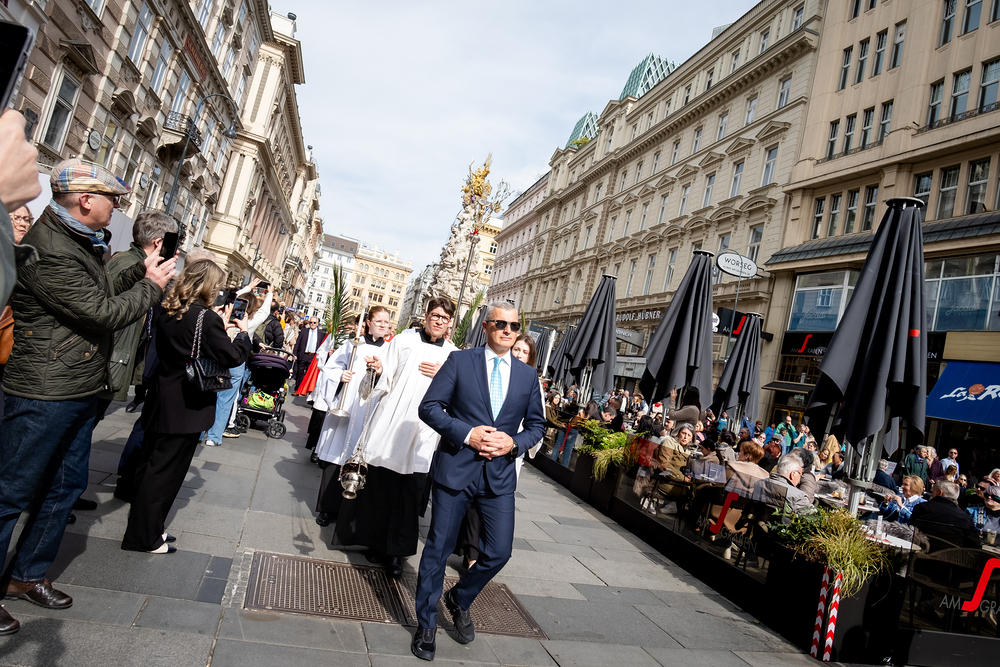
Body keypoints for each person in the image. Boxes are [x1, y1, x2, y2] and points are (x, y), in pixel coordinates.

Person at [0, 158, 175, 634]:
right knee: (11, 491)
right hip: (44, 390)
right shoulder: (50, 246)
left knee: (65, 486)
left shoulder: (79, 240)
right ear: (85, 200)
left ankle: (25, 575)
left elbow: (96, 290)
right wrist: (152, 288)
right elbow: (99, 313)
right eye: (111, 199)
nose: (116, 206)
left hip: (75, 386)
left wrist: (139, 273)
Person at [412, 302, 545, 660]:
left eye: (513, 326)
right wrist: (467, 434)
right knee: (438, 549)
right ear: (486, 327)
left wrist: (513, 442)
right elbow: (429, 407)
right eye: (500, 324)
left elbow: (537, 426)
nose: (508, 331)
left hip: (498, 477)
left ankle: (459, 598)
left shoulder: (527, 376)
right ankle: (426, 623)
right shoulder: (460, 362)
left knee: (499, 552)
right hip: (456, 469)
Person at [121, 260, 250, 554]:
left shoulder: (169, 308)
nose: (218, 291)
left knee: (150, 466)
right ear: (207, 286)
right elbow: (231, 357)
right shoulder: (205, 318)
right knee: (165, 474)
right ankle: (144, 537)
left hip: (161, 395)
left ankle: (147, 528)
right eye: (217, 286)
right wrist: (243, 335)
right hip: (186, 404)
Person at [333, 297, 457, 575]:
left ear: (450, 323)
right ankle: (375, 542)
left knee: (409, 494)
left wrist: (444, 375)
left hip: (423, 432)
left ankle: (396, 553)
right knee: (381, 486)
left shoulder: (453, 355)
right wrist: (377, 370)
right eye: (435, 315)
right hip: (391, 422)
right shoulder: (402, 341)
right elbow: (383, 376)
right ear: (426, 316)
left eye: (445, 318)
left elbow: (459, 394)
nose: (439, 321)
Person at [313, 306, 392, 525]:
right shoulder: (352, 345)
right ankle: (327, 508)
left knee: (360, 461)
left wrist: (380, 372)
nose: (383, 326)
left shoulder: (390, 350)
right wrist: (340, 375)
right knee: (337, 456)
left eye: (386, 322)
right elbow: (329, 369)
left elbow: (391, 378)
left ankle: (348, 511)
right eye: (379, 321)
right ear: (368, 323)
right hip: (347, 407)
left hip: (370, 410)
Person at [99, 211, 179, 421]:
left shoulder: (138, 263)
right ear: (159, 242)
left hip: (115, 359)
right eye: (174, 243)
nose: (176, 250)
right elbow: (111, 311)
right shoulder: (130, 264)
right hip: (107, 362)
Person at [211, 282, 274, 443]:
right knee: (226, 400)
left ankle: (199, 433)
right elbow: (265, 311)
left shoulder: (225, 318)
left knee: (209, 394)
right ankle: (214, 437)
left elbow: (232, 298)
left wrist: (248, 288)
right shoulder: (250, 322)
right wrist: (270, 293)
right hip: (237, 361)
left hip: (219, 357)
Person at [909, 480, 981, 550]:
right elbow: (975, 547)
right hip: (953, 556)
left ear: (940, 493)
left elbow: (910, 531)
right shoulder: (965, 518)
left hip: (921, 554)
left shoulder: (921, 508)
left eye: (933, 492)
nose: (931, 494)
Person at [292, 316, 325, 386]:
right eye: (311, 322)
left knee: (309, 374)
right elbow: (297, 343)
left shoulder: (321, 334)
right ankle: (297, 388)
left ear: (317, 323)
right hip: (303, 355)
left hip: (313, 356)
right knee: (299, 373)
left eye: (314, 322)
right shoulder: (304, 331)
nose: (312, 324)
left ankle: (305, 388)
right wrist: (295, 354)